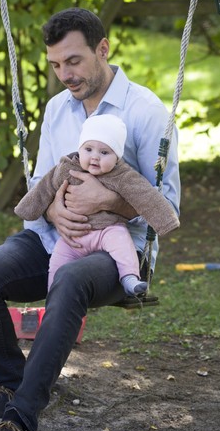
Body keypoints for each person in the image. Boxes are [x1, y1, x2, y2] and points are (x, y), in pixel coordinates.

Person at [0, 7, 180, 431]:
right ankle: (13, 387)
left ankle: (17, 423)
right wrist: (56, 208)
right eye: (56, 65)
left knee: (72, 281)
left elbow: (167, 202)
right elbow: (41, 181)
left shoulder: (145, 110)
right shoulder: (57, 108)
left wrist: (111, 201)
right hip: (51, 236)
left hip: (116, 249)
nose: (65, 75)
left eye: (74, 62)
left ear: (103, 49)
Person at [14, 114, 179, 297]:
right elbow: (44, 188)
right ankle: (54, 295)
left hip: (107, 230)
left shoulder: (122, 176)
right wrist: (26, 209)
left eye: (104, 152)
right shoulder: (67, 168)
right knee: (57, 263)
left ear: (116, 157)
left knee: (122, 244)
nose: (95, 157)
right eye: (89, 149)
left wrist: (166, 221)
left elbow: (146, 196)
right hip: (73, 237)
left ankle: (129, 278)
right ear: (80, 149)